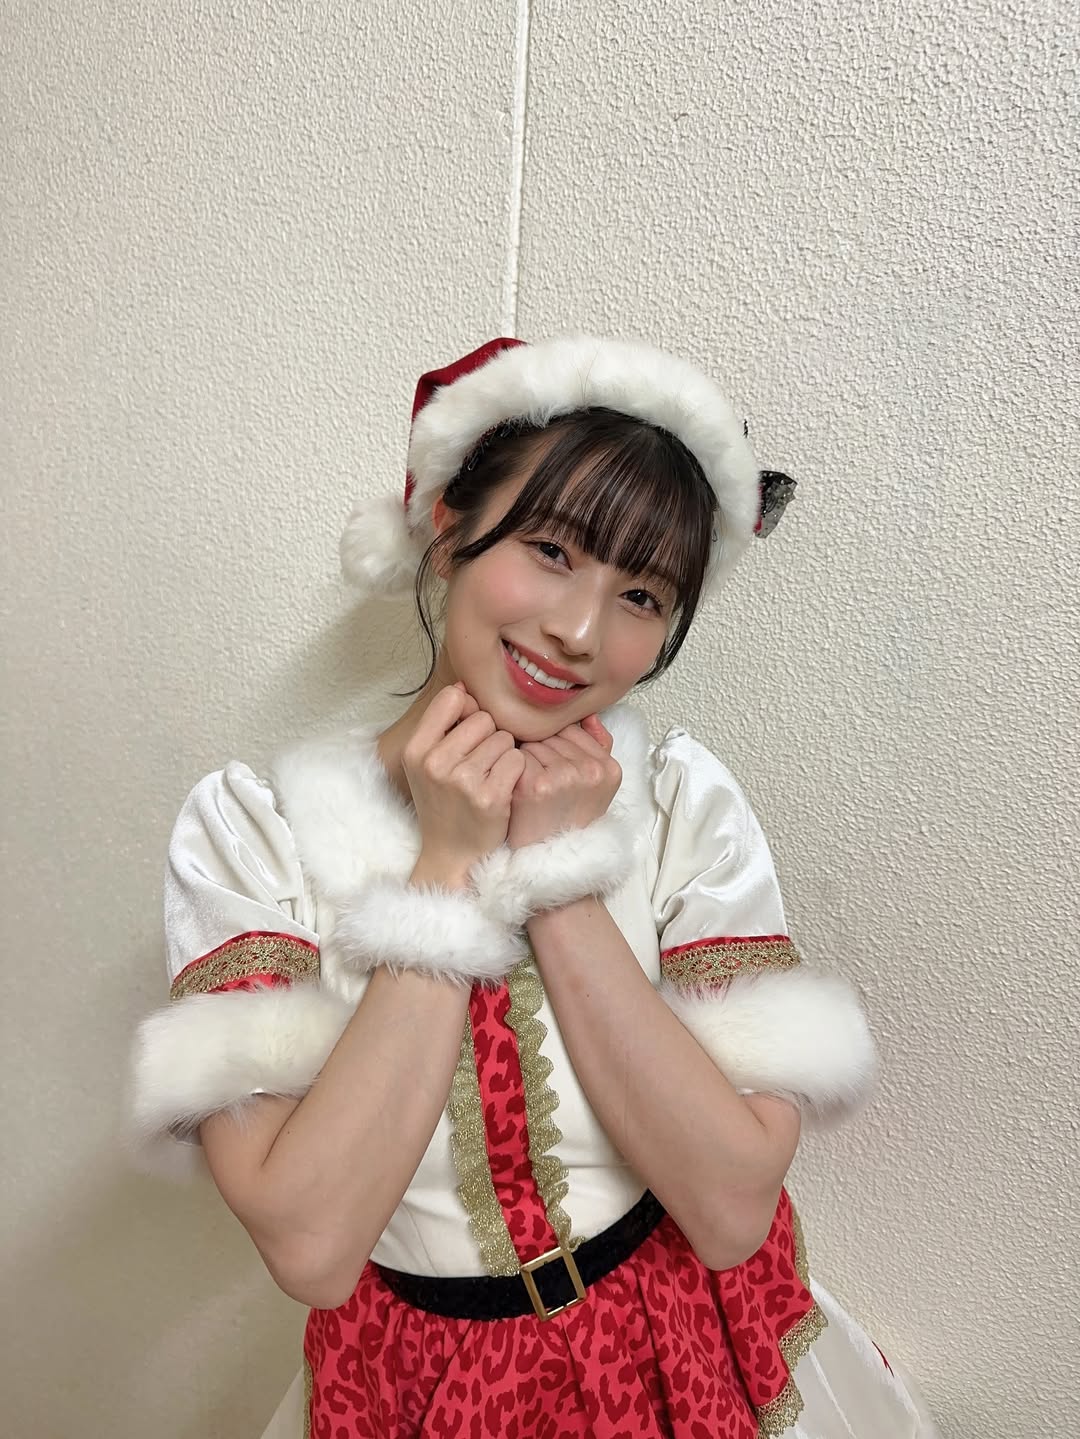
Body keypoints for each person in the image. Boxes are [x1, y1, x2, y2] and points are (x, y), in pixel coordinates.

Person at [129, 335, 940, 1438]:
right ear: (447, 525)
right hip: (414, 1391)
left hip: (684, 1352)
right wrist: (446, 871)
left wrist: (558, 877)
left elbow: (730, 1207)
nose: (580, 631)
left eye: (642, 593)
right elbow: (311, 1248)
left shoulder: (680, 802)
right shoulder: (256, 837)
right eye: (552, 549)